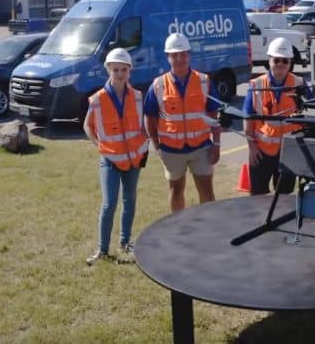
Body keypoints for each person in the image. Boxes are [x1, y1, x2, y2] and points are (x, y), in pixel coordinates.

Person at [83, 48, 149, 265]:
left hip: (133, 160)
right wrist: (99, 145)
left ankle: (125, 242)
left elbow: (144, 125)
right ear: (108, 70)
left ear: (130, 71)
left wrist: (145, 144)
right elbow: (87, 126)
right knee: (109, 203)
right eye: (115, 70)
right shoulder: (98, 99)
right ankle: (102, 250)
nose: (119, 74)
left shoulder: (137, 97)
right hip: (110, 160)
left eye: (123, 70)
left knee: (130, 200)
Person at [145, 33, 221, 212]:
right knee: (176, 190)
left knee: (207, 190)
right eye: (174, 55)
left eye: (183, 54)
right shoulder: (158, 85)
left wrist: (216, 144)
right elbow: (150, 117)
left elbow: (214, 114)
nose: (179, 59)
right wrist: (156, 146)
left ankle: (210, 225)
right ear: (168, 57)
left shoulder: (204, 81)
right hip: (171, 150)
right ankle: (178, 226)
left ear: (189, 55)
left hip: (201, 147)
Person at [243, 38, 305, 195]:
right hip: (261, 153)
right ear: (269, 60)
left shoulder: (299, 84)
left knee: (284, 198)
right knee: (258, 197)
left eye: (285, 60)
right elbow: (248, 119)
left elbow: (309, 115)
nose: (280, 64)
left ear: (290, 62)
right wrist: (252, 148)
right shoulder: (256, 85)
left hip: (288, 153)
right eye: (276, 60)